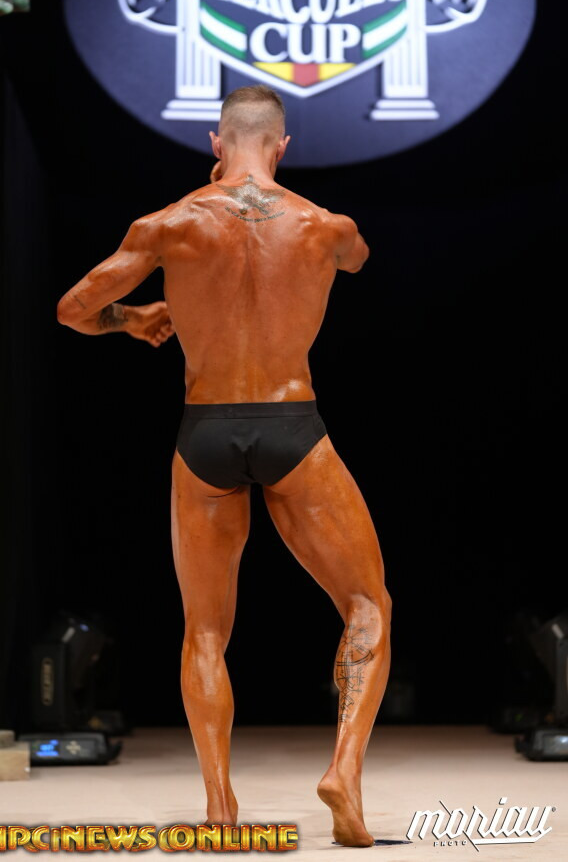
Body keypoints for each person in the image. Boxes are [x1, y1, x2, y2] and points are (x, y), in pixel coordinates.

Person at [57, 85, 392, 848]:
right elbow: (359, 259)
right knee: (367, 605)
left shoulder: (169, 224)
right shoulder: (325, 226)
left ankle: (219, 811)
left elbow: (74, 310)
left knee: (205, 631)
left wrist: (132, 319)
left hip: (204, 431)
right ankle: (344, 774)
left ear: (216, 142)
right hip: (292, 426)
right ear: (283, 144)